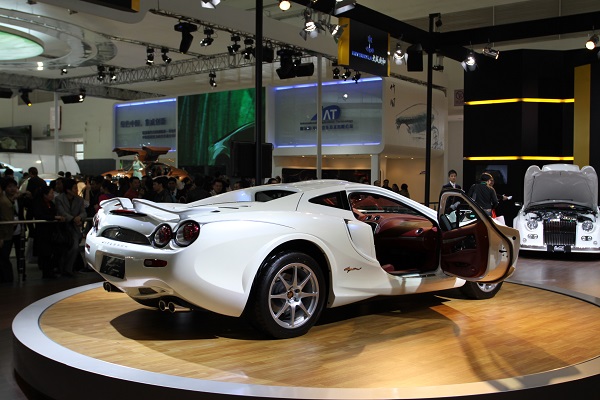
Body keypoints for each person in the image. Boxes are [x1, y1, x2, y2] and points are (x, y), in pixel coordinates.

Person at [31, 186, 65, 279]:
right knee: (45, 253)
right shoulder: (38, 203)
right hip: (42, 232)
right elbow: (40, 215)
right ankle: (47, 272)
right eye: (51, 193)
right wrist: (54, 217)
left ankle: (50, 270)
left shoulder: (51, 203)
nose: (53, 195)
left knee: (53, 252)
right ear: (45, 194)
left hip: (51, 232)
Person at [55, 179, 87, 277]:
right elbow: (61, 212)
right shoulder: (59, 199)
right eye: (74, 188)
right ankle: (64, 268)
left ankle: (68, 269)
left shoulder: (79, 199)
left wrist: (79, 217)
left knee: (74, 247)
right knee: (65, 249)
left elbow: (84, 212)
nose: (76, 190)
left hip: (74, 228)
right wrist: (73, 219)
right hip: (62, 227)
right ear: (68, 190)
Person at [0, 178, 24, 283]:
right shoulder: (4, 200)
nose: (12, 189)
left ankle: (16, 276)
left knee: (17, 255)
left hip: (15, 230)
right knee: (4, 256)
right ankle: (7, 278)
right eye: (9, 187)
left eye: (14, 186)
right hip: (6, 232)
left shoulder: (17, 199)